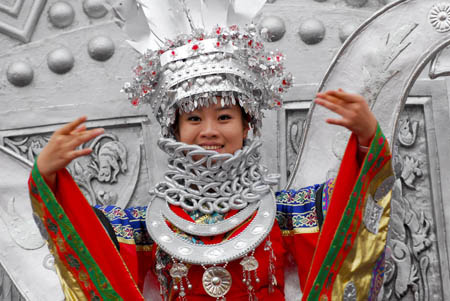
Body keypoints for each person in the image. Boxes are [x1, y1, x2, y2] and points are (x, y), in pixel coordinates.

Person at [28, 4, 393, 300]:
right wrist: (47, 178)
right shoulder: (148, 226)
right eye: (193, 118)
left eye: (224, 116)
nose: (209, 131)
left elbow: (349, 214)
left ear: (248, 124)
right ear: (174, 128)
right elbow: (90, 246)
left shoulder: (284, 215)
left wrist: (364, 143)